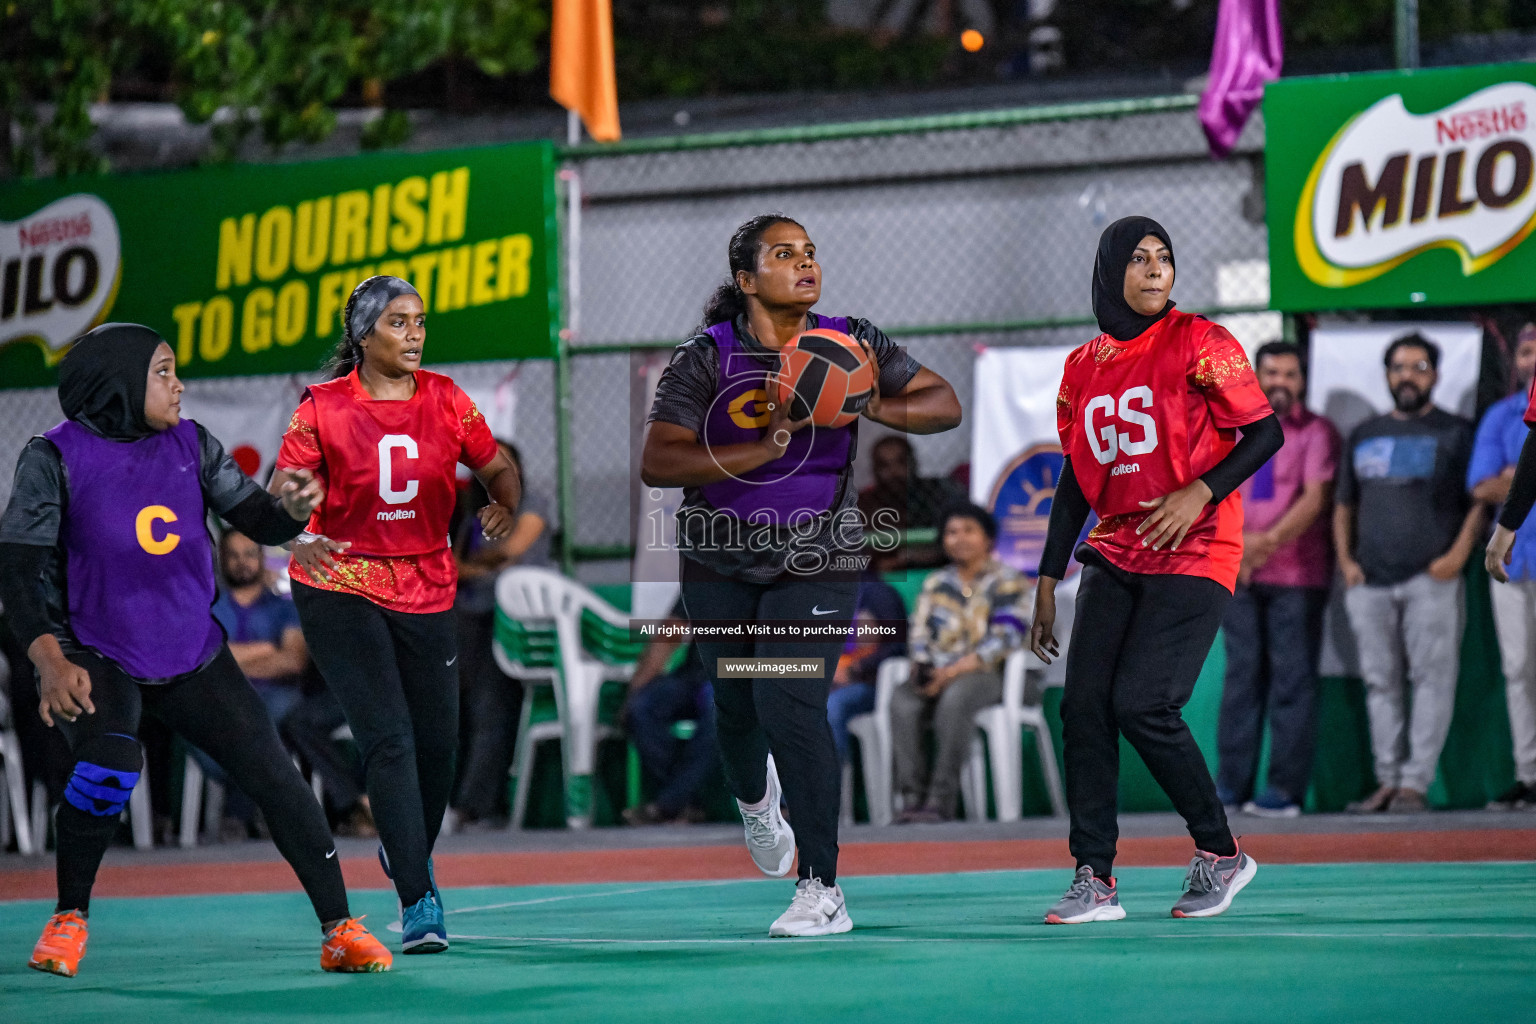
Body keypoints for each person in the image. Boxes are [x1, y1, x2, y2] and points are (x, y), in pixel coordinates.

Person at [0, 323, 390, 976]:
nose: (178, 384)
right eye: (163, 372)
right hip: (98, 650)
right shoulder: (54, 457)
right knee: (110, 763)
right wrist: (49, 661)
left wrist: (290, 510)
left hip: (192, 651)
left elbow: (257, 520)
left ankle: (340, 928)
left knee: (275, 773)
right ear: (119, 382)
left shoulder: (192, 444)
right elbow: (15, 573)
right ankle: (69, 918)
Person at [641, 214, 961, 937]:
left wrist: (863, 399)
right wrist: (756, 453)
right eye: (784, 255)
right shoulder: (707, 356)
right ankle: (757, 804)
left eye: (811, 252)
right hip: (718, 556)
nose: (805, 263)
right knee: (737, 707)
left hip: (817, 558)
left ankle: (822, 887)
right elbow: (658, 460)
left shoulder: (854, 341)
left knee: (789, 700)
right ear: (747, 280)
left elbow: (944, 405)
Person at [1029, 217, 1282, 924]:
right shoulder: (1082, 367)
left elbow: (1266, 432)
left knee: (1144, 701)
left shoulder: (1202, 340)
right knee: (1083, 705)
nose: (1154, 270)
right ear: (1111, 270)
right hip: (1116, 544)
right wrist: (1047, 580)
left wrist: (1199, 489)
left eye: (1165, 258)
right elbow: (1078, 481)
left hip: (1195, 540)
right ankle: (1095, 878)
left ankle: (1221, 853)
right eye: (1138, 259)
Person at [268, 276, 521, 954]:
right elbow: (283, 492)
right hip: (339, 578)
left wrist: (503, 500)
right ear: (363, 334)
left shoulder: (446, 398)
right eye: (400, 322)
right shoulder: (321, 406)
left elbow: (496, 466)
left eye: (420, 322)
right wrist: (295, 504)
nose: (415, 334)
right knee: (390, 739)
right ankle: (419, 899)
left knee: (440, 745)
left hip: (427, 582)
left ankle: (404, 851)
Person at [1334, 333, 1480, 815]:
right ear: (1388, 375)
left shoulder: (1457, 432)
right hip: (1369, 582)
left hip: (1430, 579)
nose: (1408, 376)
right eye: (1399, 367)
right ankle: (1388, 781)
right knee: (1380, 683)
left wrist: (1458, 556)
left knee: (1432, 679)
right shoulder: (1365, 433)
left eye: (1418, 367)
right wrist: (1348, 564)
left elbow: (1477, 501)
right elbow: (1343, 506)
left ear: (1435, 375)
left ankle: (1415, 784)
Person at [1216, 341, 1340, 818]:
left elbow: (1315, 499)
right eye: (1272, 373)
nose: (1281, 383)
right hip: (1238, 575)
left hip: (1296, 575)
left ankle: (1284, 791)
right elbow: (1216, 491)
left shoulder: (1316, 432)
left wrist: (1260, 544)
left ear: (1302, 381)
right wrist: (1239, 548)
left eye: (1290, 374)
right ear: (1255, 377)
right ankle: (1231, 786)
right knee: (1241, 678)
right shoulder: (1231, 430)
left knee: (1292, 680)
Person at [891, 504, 1029, 822]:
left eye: (969, 530)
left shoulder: (1008, 581)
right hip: (941, 672)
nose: (959, 539)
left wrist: (950, 673)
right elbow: (920, 635)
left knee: (956, 699)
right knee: (902, 699)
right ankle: (911, 799)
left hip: (992, 675)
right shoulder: (936, 584)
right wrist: (925, 669)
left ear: (988, 539)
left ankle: (940, 801)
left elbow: (1006, 638)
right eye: (952, 532)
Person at [451, 440, 550, 828]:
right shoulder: (468, 514)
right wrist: (478, 567)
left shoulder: (533, 503)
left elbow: (513, 550)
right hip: (471, 617)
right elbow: (452, 569)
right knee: (460, 705)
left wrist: (478, 565)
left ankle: (478, 805)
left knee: (491, 703)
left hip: (517, 624)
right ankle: (456, 801)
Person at [189, 530, 312, 840]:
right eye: (234, 555)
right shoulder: (208, 609)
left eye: (249, 554)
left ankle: (236, 813)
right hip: (223, 700)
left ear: (261, 559)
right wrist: (265, 650)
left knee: (260, 718)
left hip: (275, 697)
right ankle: (265, 806)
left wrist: (229, 658)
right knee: (202, 725)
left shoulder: (285, 607)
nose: (242, 562)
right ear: (222, 561)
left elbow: (293, 662)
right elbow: (198, 660)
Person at [1473, 324, 1536, 811]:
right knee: (1518, 668)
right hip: (1518, 561)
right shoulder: (1501, 415)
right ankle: (1528, 772)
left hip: (1512, 543)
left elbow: (1513, 475)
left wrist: (1513, 486)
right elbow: (1483, 485)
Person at [620, 600, 718, 825]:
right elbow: (670, 632)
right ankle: (685, 802)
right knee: (641, 707)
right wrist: (634, 692)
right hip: (695, 678)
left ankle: (668, 806)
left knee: (721, 710)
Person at [826, 571, 907, 769]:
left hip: (869, 684)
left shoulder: (876, 593)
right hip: (824, 685)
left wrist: (855, 669)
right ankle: (780, 798)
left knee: (831, 707)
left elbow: (897, 648)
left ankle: (820, 794)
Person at [857, 436, 963, 569]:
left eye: (901, 462)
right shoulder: (865, 502)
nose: (893, 472)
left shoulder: (938, 491)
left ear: (913, 463)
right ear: (874, 469)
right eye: (884, 465)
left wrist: (910, 557)